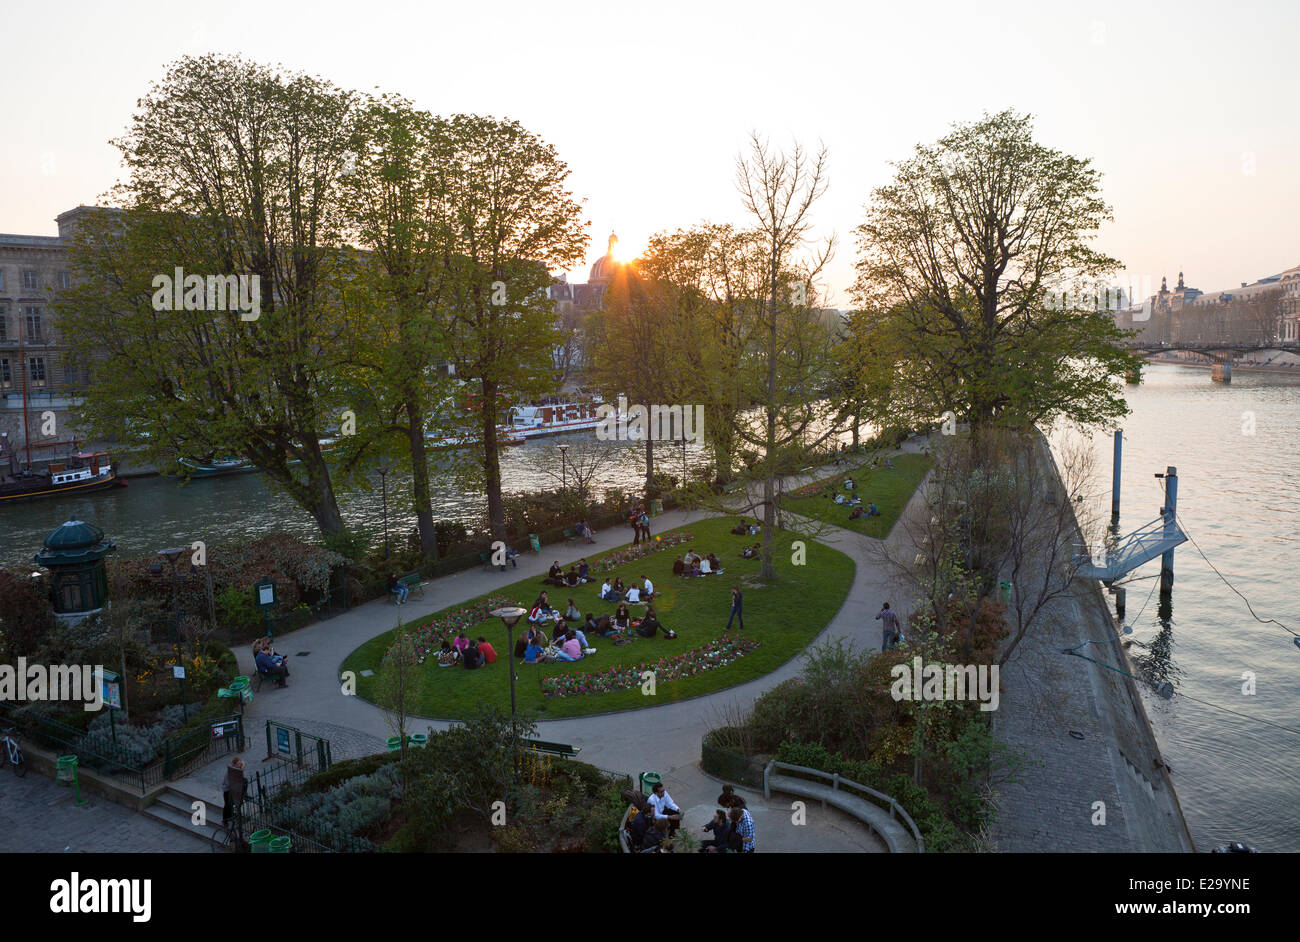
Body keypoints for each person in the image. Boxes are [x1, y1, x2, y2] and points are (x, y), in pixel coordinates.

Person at [221, 756, 246, 828]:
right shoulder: (230, 772)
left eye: (240, 764)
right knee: (228, 804)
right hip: (228, 790)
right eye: (239, 764)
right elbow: (227, 783)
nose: (240, 765)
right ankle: (224, 820)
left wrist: (242, 765)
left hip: (234, 789)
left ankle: (232, 815)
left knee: (235, 803)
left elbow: (243, 764)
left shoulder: (238, 770)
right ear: (234, 764)